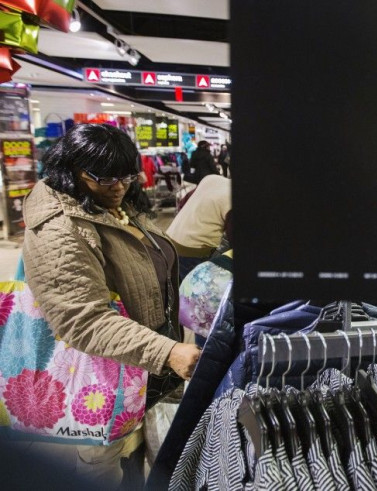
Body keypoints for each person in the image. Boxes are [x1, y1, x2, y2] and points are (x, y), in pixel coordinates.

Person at [20, 123, 201, 489]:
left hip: (141, 367)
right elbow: (82, 321)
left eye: (127, 176)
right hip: (102, 378)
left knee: (133, 456)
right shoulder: (59, 229)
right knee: (103, 464)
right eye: (104, 177)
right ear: (70, 170)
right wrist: (167, 351)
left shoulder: (111, 203)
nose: (118, 186)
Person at [166, 174, 231, 280]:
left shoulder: (211, 178)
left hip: (169, 241)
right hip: (194, 251)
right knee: (193, 292)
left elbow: (182, 203)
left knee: (178, 288)